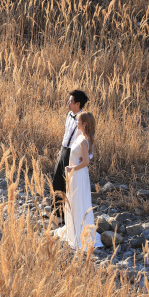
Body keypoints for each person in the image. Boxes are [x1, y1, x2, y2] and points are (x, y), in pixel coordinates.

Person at [54, 110, 103, 250]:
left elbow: (86, 162)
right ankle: (72, 230)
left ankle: (79, 233)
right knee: (74, 201)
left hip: (78, 174)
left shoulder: (83, 140)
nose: (76, 123)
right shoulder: (83, 136)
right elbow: (90, 155)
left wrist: (72, 168)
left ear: (84, 124)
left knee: (77, 201)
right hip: (77, 174)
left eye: (78, 121)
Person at [51, 90, 88, 223]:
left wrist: (86, 156)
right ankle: (56, 214)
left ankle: (68, 218)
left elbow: (89, 137)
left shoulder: (84, 118)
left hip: (73, 153)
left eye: (70, 101)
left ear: (77, 104)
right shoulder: (69, 115)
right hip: (63, 150)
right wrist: (61, 150)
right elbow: (67, 133)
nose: (68, 103)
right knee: (56, 181)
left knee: (69, 185)